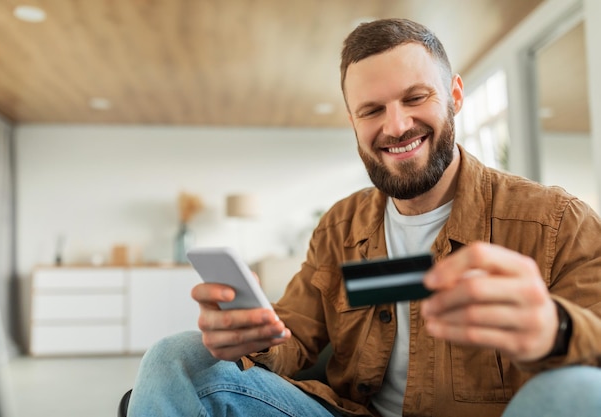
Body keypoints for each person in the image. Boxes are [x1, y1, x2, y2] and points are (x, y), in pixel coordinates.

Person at [128, 18, 601, 417]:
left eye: (416, 98)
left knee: (578, 391)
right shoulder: (339, 226)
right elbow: (294, 332)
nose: (396, 126)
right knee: (176, 357)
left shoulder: (558, 221)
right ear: (353, 121)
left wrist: (553, 329)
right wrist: (249, 337)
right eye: (372, 110)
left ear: (455, 95)